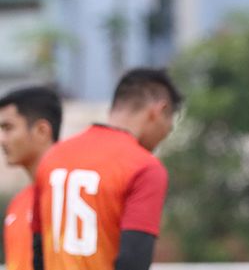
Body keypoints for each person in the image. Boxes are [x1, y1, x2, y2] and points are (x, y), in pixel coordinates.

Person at [31, 68, 182, 270]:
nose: (164, 135)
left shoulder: (53, 157)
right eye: (169, 127)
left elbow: (39, 251)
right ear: (159, 110)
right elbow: (133, 261)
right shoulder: (145, 167)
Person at [0, 86, 62, 270]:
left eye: (8, 128)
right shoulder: (18, 203)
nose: (2, 139)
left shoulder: (72, 196)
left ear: (42, 130)